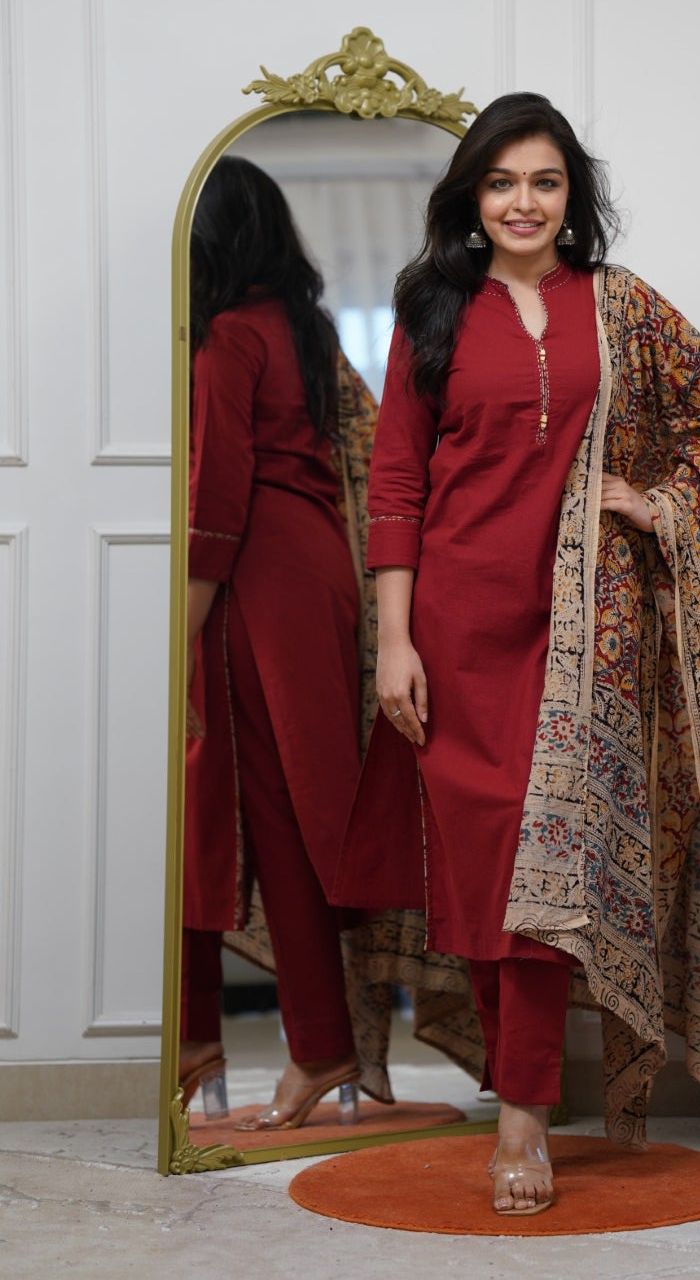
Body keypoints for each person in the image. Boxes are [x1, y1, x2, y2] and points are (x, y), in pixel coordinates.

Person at [333, 94, 700, 1214]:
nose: (523, 203)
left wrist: (656, 501)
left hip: (583, 633)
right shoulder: (433, 310)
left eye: (544, 182)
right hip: (456, 628)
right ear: (472, 196)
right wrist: (394, 640)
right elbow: (397, 481)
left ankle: (524, 1114)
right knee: (486, 875)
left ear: (571, 195)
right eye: (501, 182)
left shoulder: (620, 308)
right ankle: (520, 1092)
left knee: (547, 878)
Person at [182, 154, 367, 1131]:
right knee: (292, 811)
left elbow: (216, 498)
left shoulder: (225, 336)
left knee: (259, 810)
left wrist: (177, 632)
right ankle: (306, 1039)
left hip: (258, 575)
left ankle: (301, 1042)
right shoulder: (304, 326)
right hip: (318, 566)